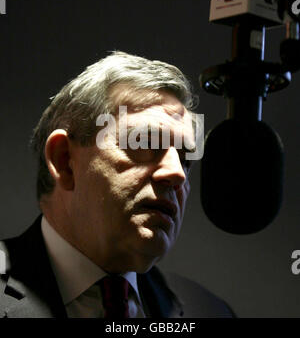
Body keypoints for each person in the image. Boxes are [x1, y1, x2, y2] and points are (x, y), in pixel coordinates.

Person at [0, 51, 234, 318]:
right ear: (64, 161)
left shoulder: (210, 311)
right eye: (144, 143)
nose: (177, 173)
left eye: (185, 160)